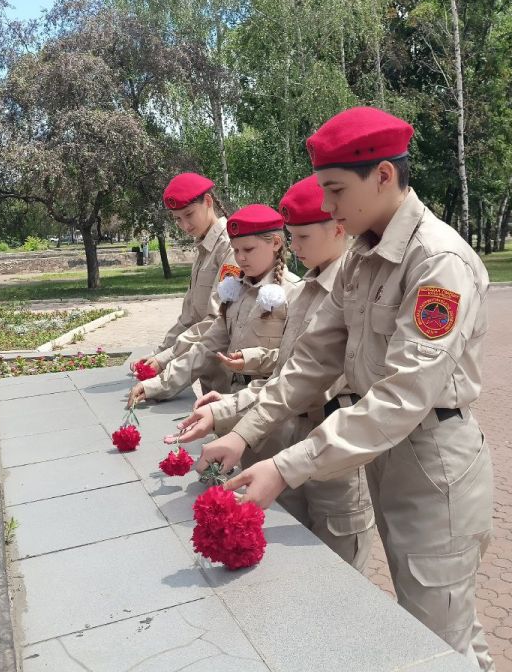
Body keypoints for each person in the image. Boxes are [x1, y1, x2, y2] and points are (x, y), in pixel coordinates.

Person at [196, 107, 496, 671]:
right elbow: (311, 360)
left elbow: (404, 395)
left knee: (438, 630)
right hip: (384, 452)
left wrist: (287, 466)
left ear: (383, 176)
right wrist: (246, 432)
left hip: (433, 461)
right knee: (437, 622)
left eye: (335, 190)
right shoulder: (363, 256)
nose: (328, 207)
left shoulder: (438, 262)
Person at [170, 175, 375, 571]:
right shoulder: (312, 289)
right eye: (291, 237)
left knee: (341, 567)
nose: (294, 248)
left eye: (301, 237)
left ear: (337, 227)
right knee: (297, 559)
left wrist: (234, 417)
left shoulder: (344, 287)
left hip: (338, 440)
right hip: (292, 431)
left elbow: (307, 378)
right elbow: (289, 369)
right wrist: (231, 413)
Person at [128, 204, 300, 406]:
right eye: (236, 250)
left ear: (276, 243)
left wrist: (253, 359)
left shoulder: (295, 292)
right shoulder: (235, 293)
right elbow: (204, 349)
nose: (240, 258)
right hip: (230, 400)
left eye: (248, 249)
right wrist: (155, 385)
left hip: (272, 405)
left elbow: (299, 360)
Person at [131, 173, 237, 394]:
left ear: (208, 202)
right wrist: (157, 353)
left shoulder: (230, 247)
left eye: (189, 214)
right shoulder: (203, 248)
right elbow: (188, 317)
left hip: (229, 370)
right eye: (177, 219)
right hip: (207, 369)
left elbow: (217, 317)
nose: (185, 225)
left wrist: (166, 358)